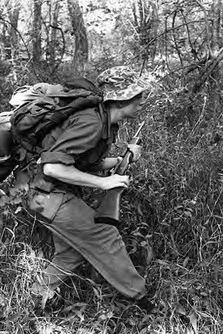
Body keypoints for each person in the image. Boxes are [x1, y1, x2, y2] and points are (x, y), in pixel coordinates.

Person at [16, 66, 154, 311]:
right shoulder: (91, 122)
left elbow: (85, 162)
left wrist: (124, 159)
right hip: (48, 194)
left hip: (47, 194)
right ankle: (143, 301)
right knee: (105, 235)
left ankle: (33, 300)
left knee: (70, 254)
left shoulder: (105, 122)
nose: (142, 100)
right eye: (138, 95)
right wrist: (103, 182)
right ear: (122, 98)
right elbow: (53, 168)